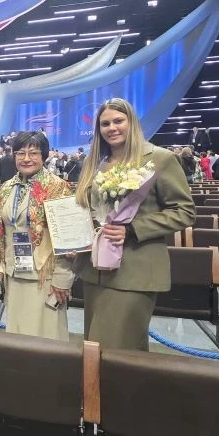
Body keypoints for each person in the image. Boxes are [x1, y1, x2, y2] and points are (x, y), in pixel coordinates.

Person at [73, 98, 195, 351]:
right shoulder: (95, 163)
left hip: (134, 270)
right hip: (95, 271)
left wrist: (132, 229)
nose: (112, 128)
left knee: (113, 349)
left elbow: (184, 211)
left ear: (132, 122)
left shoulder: (160, 159)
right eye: (105, 123)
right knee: (97, 349)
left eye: (118, 121)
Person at [0, 131, 73, 340]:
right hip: (14, 272)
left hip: (44, 276)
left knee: (45, 338)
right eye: (20, 153)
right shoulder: (7, 187)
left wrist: (63, 279)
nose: (26, 158)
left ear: (44, 155)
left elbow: (68, 238)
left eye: (33, 153)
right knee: (17, 337)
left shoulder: (57, 187)